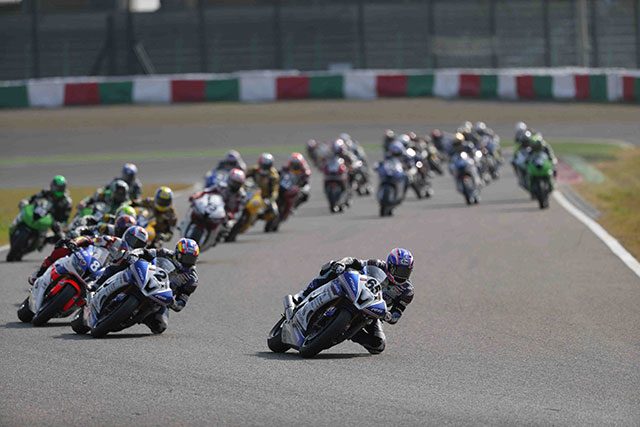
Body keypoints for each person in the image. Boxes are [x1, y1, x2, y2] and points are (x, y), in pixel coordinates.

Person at [293, 248, 415, 354]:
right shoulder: (378, 264)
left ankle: (350, 333)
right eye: (399, 270)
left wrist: (390, 316)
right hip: (355, 292)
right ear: (390, 265)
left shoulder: (407, 291)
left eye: (406, 272)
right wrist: (342, 263)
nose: (402, 275)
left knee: (378, 345)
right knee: (332, 267)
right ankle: (303, 294)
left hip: (371, 311)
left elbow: (398, 312)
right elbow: (355, 262)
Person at [93, 237, 199, 334]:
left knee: (160, 326)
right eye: (186, 258)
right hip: (145, 277)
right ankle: (97, 284)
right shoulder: (165, 253)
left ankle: (140, 316)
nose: (188, 262)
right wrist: (135, 254)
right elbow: (145, 251)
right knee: (124, 261)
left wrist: (174, 303)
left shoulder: (191, 279)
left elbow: (182, 301)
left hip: (160, 297)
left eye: (192, 259)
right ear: (178, 253)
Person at [30, 226, 147, 297]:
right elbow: (92, 239)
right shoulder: (114, 241)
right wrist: (76, 242)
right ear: (127, 236)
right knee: (63, 248)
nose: (133, 244)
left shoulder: (133, 257)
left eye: (138, 244)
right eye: (133, 240)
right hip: (90, 260)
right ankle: (40, 273)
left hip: (102, 277)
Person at [27, 215, 137, 285]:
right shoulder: (107, 228)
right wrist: (78, 234)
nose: (121, 232)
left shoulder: (125, 249)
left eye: (125, 230)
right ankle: (40, 272)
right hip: (88, 248)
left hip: (101, 265)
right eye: (121, 228)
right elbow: (88, 230)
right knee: (63, 249)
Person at [247, 153, 280, 227]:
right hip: (252, 191)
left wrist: (270, 200)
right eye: (263, 165)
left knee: (274, 213)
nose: (264, 167)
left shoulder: (274, 176)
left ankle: (263, 220)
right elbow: (244, 176)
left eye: (266, 166)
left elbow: (275, 190)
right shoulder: (254, 170)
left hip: (265, 196)